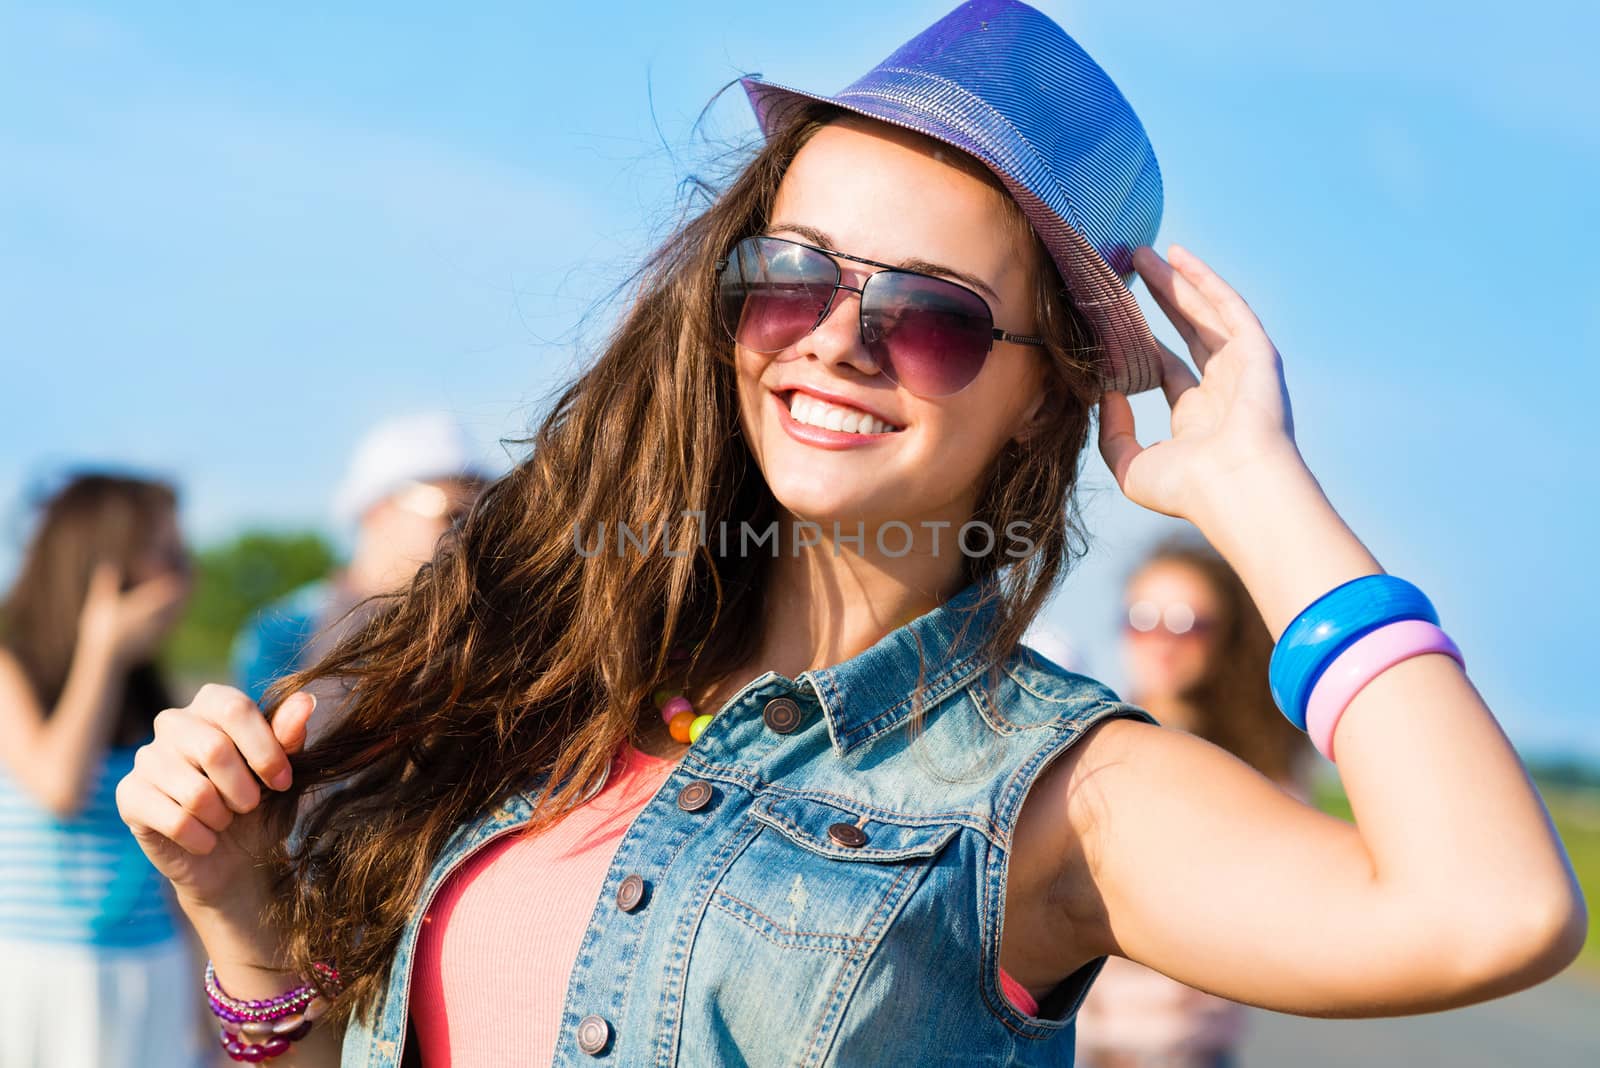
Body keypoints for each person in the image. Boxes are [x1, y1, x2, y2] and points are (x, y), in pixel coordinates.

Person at [116, 3, 1585, 1066]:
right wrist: (244, 923)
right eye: (791, 277)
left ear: (1037, 397)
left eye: (934, 318)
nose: (836, 343)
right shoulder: (549, 683)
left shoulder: (1056, 795)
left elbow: (1490, 912)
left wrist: (1258, 489)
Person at [1075, 534, 1318, 1068]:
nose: (1161, 639)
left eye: (1188, 623)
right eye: (1143, 618)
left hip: (1182, 1048)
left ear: (1225, 636)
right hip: (1071, 1044)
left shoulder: (1259, 768)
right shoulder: (1083, 739)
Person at [0, 473, 206, 1067]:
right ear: (101, 566)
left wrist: (206, 1020)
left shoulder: (154, 696)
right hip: (40, 971)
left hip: (151, 967)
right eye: (167, 555)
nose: (183, 577)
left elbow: (175, 870)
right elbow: (58, 787)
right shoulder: (12, 669)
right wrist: (101, 652)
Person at [231, 411, 488, 739]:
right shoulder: (284, 629)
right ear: (376, 510)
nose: (467, 533)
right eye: (453, 512)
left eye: (481, 514)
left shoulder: (479, 623)